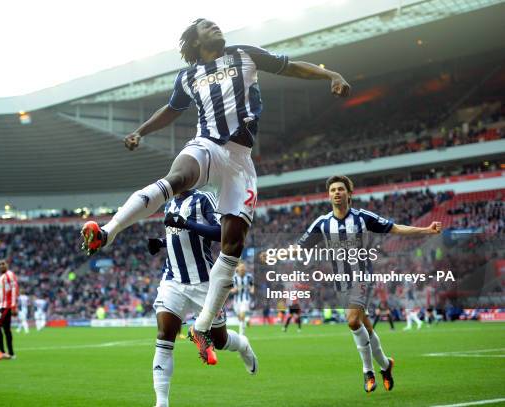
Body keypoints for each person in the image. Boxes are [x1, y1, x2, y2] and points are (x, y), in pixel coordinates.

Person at [81, 18, 350, 363]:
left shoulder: (245, 55)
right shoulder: (188, 77)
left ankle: (203, 325)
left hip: (241, 162)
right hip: (207, 145)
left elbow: (291, 67)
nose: (216, 28)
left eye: (215, 25)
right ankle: (108, 230)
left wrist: (331, 75)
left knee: (233, 243)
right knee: (177, 177)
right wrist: (141, 132)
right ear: (195, 41)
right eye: (207, 26)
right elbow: (171, 109)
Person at [297, 175, 441, 393]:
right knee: (365, 326)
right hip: (340, 282)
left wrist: (427, 230)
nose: (336, 192)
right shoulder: (322, 223)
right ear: (329, 196)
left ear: (349, 193)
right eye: (332, 190)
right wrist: (275, 255)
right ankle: (385, 364)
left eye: (340, 189)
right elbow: (300, 246)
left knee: (353, 321)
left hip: (361, 277)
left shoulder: (362, 218)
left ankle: (367, 371)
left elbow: (395, 228)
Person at [149, 189, 257, 407]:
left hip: (205, 282)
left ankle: (243, 345)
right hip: (173, 280)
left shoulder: (203, 198)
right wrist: (161, 243)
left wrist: (186, 223)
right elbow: (178, 236)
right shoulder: (169, 204)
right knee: (164, 335)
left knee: (220, 340)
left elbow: (222, 233)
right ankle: (161, 403)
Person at [231, 262, 254, 335]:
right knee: (239, 317)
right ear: (238, 269)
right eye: (241, 268)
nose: (242, 269)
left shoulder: (249, 277)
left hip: (246, 299)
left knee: (242, 314)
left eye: (243, 268)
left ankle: (242, 335)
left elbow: (252, 285)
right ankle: (247, 320)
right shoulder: (234, 278)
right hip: (236, 300)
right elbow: (230, 288)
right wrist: (233, 290)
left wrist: (252, 289)